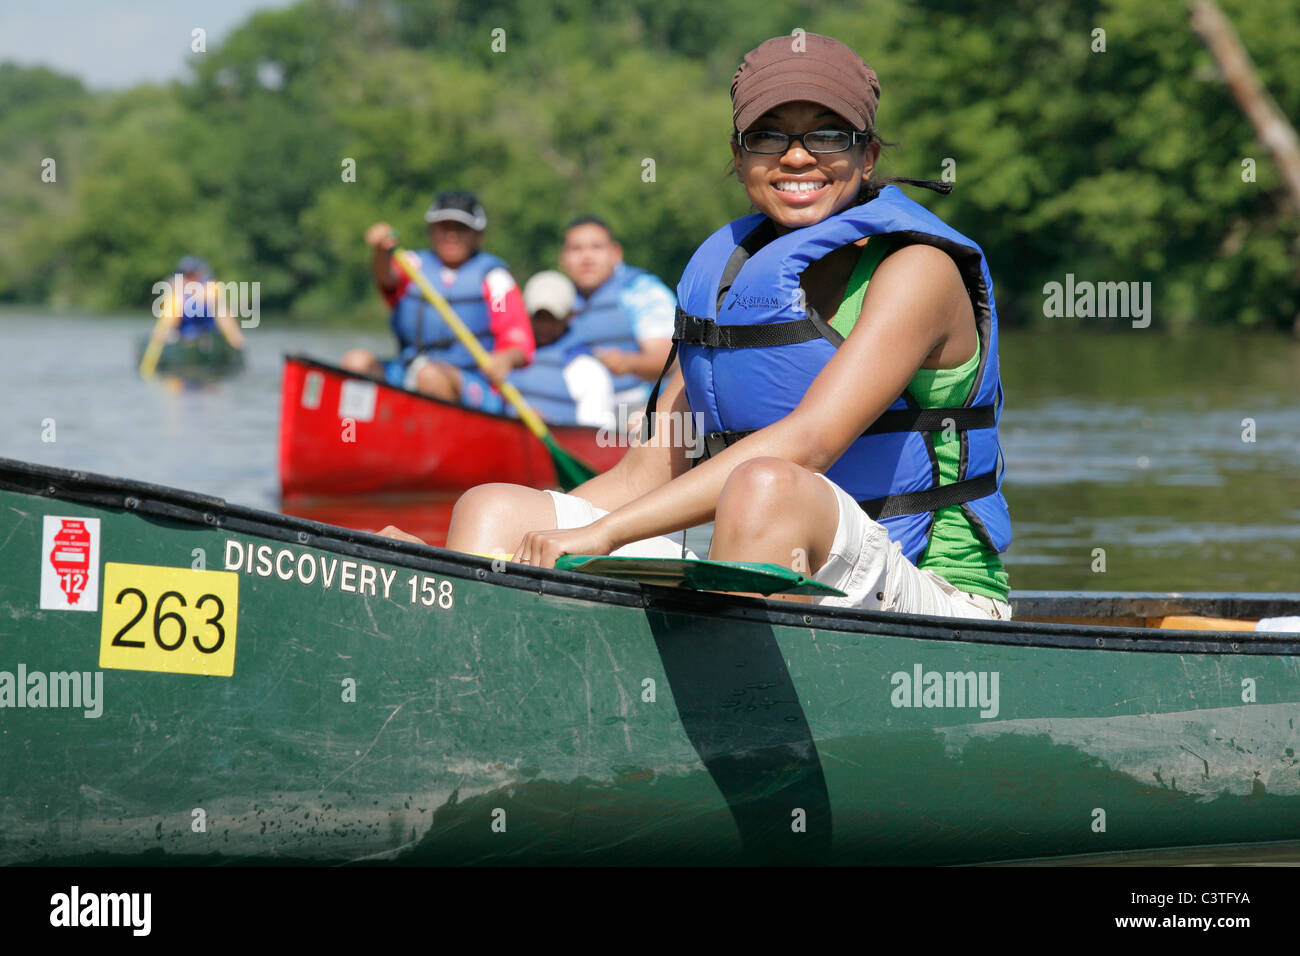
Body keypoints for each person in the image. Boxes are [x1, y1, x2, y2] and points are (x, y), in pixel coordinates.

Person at [390, 34, 1012, 621]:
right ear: (739, 159)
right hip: (755, 550)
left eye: (828, 135)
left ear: (868, 155)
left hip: (932, 590)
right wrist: (436, 563)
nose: (797, 156)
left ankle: (737, 725)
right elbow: (642, 477)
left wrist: (601, 537)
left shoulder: (917, 271)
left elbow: (809, 443)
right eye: (768, 137)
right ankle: (468, 695)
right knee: (492, 508)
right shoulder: (726, 288)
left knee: (764, 486)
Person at [344, 190, 534, 401]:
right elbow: (387, 278)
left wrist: (505, 359)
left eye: (461, 228)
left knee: (431, 376)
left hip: (471, 383)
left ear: (478, 235)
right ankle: (350, 432)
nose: (451, 235)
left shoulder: (495, 280)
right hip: (408, 370)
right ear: (431, 231)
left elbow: (517, 340)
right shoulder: (412, 265)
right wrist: (380, 251)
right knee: (356, 362)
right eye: (444, 227)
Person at [467, 270, 617, 429]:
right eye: (538, 317)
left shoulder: (588, 370)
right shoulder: (503, 359)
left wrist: (549, 426)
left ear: (570, 316)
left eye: (553, 318)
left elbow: (594, 440)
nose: (544, 326)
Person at [558, 217, 675, 414]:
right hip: (576, 413)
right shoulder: (558, 298)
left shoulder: (642, 292)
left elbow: (667, 360)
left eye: (596, 247)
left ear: (616, 253)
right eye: (576, 249)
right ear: (563, 258)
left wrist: (627, 362)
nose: (586, 257)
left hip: (644, 411)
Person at [154, 256, 245, 348]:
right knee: (176, 304)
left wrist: (189, 292)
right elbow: (169, 318)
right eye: (186, 275)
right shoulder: (175, 294)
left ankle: (234, 342)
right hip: (184, 334)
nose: (188, 278)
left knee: (221, 311)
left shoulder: (210, 286)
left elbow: (214, 300)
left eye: (191, 274)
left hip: (209, 333)